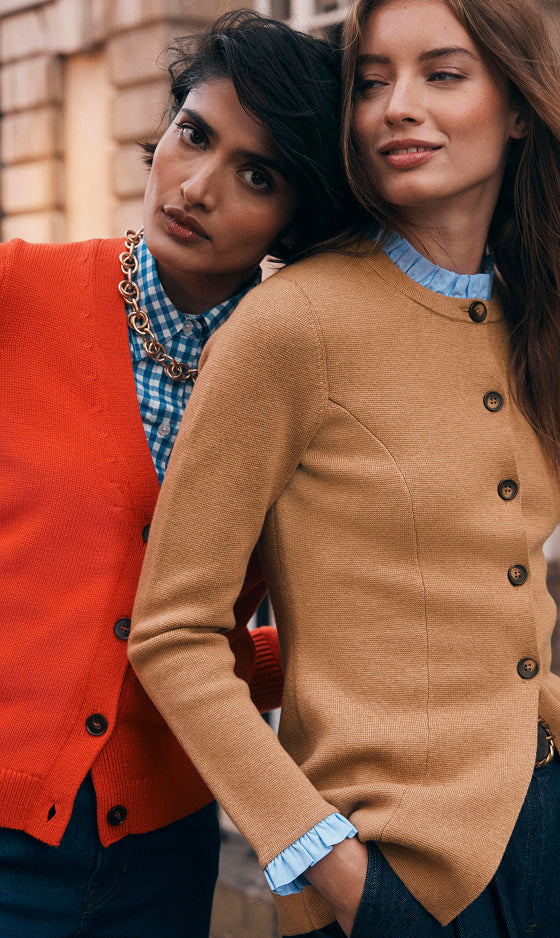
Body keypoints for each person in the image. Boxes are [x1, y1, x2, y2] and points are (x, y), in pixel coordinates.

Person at [128, 0, 560, 936]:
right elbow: (172, 635)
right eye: (373, 81)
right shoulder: (292, 324)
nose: (396, 107)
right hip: (396, 876)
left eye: (443, 74)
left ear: (515, 106)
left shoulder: (534, 312)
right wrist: (325, 863)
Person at [0, 10, 358, 938]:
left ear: (296, 214)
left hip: (163, 850)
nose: (197, 186)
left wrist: (251, 665)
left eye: (257, 174)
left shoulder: (300, 371)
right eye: (193, 134)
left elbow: (216, 632)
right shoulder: (18, 294)